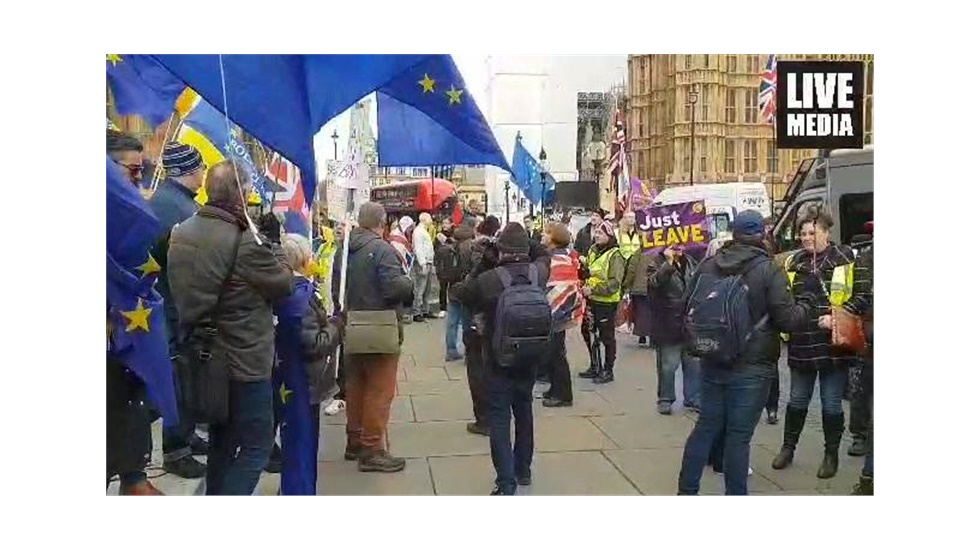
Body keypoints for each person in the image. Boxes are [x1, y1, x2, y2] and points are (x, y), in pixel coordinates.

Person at [168, 160, 294, 495]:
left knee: (221, 441)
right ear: (241, 192)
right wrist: (274, 245)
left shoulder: (182, 232)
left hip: (202, 355)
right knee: (257, 445)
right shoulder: (245, 241)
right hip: (244, 358)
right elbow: (284, 284)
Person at [676, 210, 816, 495]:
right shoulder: (768, 269)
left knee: (705, 427)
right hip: (752, 365)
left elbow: (686, 305)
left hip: (713, 357)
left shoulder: (709, 264)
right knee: (738, 437)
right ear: (762, 234)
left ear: (735, 233)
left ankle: (687, 491)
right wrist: (807, 302)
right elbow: (788, 320)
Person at [456, 222, 551, 495]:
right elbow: (543, 253)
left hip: (498, 357)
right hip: (530, 357)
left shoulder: (490, 280)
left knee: (499, 418)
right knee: (524, 411)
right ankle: (523, 470)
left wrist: (485, 260)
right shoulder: (538, 273)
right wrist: (528, 243)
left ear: (501, 250)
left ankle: (506, 482)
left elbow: (461, 293)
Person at [772, 211, 864, 479]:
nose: (806, 238)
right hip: (802, 341)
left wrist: (836, 318)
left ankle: (830, 455)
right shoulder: (793, 262)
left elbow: (863, 296)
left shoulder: (846, 259)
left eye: (812, 232)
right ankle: (788, 448)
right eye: (803, 233)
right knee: (797, 400)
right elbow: (785, 299)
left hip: (833, 343)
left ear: (826, 233)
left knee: (831, 404)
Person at [335, 202, 415, 472]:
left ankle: (354, 440)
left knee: (355, 386)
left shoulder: (344, 249)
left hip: (351, 324)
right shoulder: (383, 250)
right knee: (379, 390)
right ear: (381, 223)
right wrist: (408, 283)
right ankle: (372, 449)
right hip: (380, 326)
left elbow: (337, 287)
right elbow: (394, 289)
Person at [147, 142, 209, 479]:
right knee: (178, 377)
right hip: (175, 306)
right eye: (200, 168)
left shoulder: (172, 202)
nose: (203, 174)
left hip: (174, 304)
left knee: (184, 376)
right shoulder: (177, 209)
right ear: (189, 170)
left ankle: (184, 436)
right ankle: (176, 449)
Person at [106, 130, 162, 495]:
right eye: (133, 171)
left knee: (128, 403)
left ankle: (133, 476)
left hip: (126, 333)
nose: (139, 180)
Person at [273, 234, 343, 495]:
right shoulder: (299, 297)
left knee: (299, 441)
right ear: (303, 259)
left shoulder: (289, 290)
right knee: (301, 443)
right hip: (302, 381)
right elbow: (314, 343)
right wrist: (336, 326)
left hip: (292, 378)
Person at [647, 243, 701, 414]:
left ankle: (693, 397)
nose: (678, 248)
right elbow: (653, 284)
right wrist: (668, 264)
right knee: (668, 364)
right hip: (667, 321)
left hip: (689, 321)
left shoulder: (691, 262)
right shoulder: (656, 262)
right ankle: (665, 398)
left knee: (693, 363)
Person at [540, 222, 585, 407]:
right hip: (559, 310)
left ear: (554, 237)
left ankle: (563, 395)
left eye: (546, 232)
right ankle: (555, 388)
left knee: (556, 354)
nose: (542, 235)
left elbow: (560, 286)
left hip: (557, 311)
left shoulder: (558, 259)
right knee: (552, 352)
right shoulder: (564, 255)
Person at [578, 220, 625, 384]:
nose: (596, 235)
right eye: (596, 232)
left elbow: (614, 283)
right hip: (591, 300)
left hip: (606, 302)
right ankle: (595, 365)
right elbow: (591, 271)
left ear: (609, 235)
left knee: (607, 337)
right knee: (588, 332)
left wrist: (594, 289)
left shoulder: (615, 255)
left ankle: (608, 370)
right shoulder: (593, 250)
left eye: (601, 233)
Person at [846, 243, 873, 495]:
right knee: (862, 392)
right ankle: (859, 435)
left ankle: (869, 478)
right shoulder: (867, 257)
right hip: (870, 340)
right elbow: (862, 295)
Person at [444, 222, 477, 362]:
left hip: (453, 287)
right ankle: (469, 353)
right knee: (467, 322)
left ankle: (451, 350)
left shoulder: (449, 247)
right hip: (466, 288)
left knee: (452, 321)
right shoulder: (470, 247)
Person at [412, 212, 438, 322]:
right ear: (424, 219)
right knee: (421, 287)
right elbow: (418, 248)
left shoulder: (423, 231)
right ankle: (417, 311)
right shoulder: (418, 232)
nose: (431, 220)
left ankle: (425, 309)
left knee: (427, 287)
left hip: (428, 262)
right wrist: (422, 263)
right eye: (430, 218)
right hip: (423, 262)